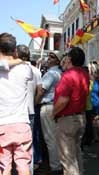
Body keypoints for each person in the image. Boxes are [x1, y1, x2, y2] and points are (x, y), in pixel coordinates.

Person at [51, 47, 90, 175]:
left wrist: (53, 113)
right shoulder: (84, 73)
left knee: (68, 160)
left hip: (67, 119)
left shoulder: (67, 75)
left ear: (70, 59)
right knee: (76, 154)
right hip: (80, 118)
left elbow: (63, 100)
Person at [0, 33, 33, 175]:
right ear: (15, 51)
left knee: (4, 166)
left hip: (2, 125)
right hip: (22, 124)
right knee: (23, 164)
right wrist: (19, 60)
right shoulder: (26, 69)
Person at [16, 44, 43, 174]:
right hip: (30, 112)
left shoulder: (12, 70)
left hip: (15, 114)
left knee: (14, 148)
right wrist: (34, 103)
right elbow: (40, 91)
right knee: (28, 146)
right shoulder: (36, 70)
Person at [37, 51, 62, 174]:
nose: (48, 58)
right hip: (55, 106)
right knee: (54, 138)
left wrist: (35, 102)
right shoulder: (59, 72)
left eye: (52, 57)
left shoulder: (51, 73)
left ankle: (55, 167)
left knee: (50, 138)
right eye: (49, 56)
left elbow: (41, 91)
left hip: (48, 106)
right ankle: (56, 164)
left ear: (57, 61)